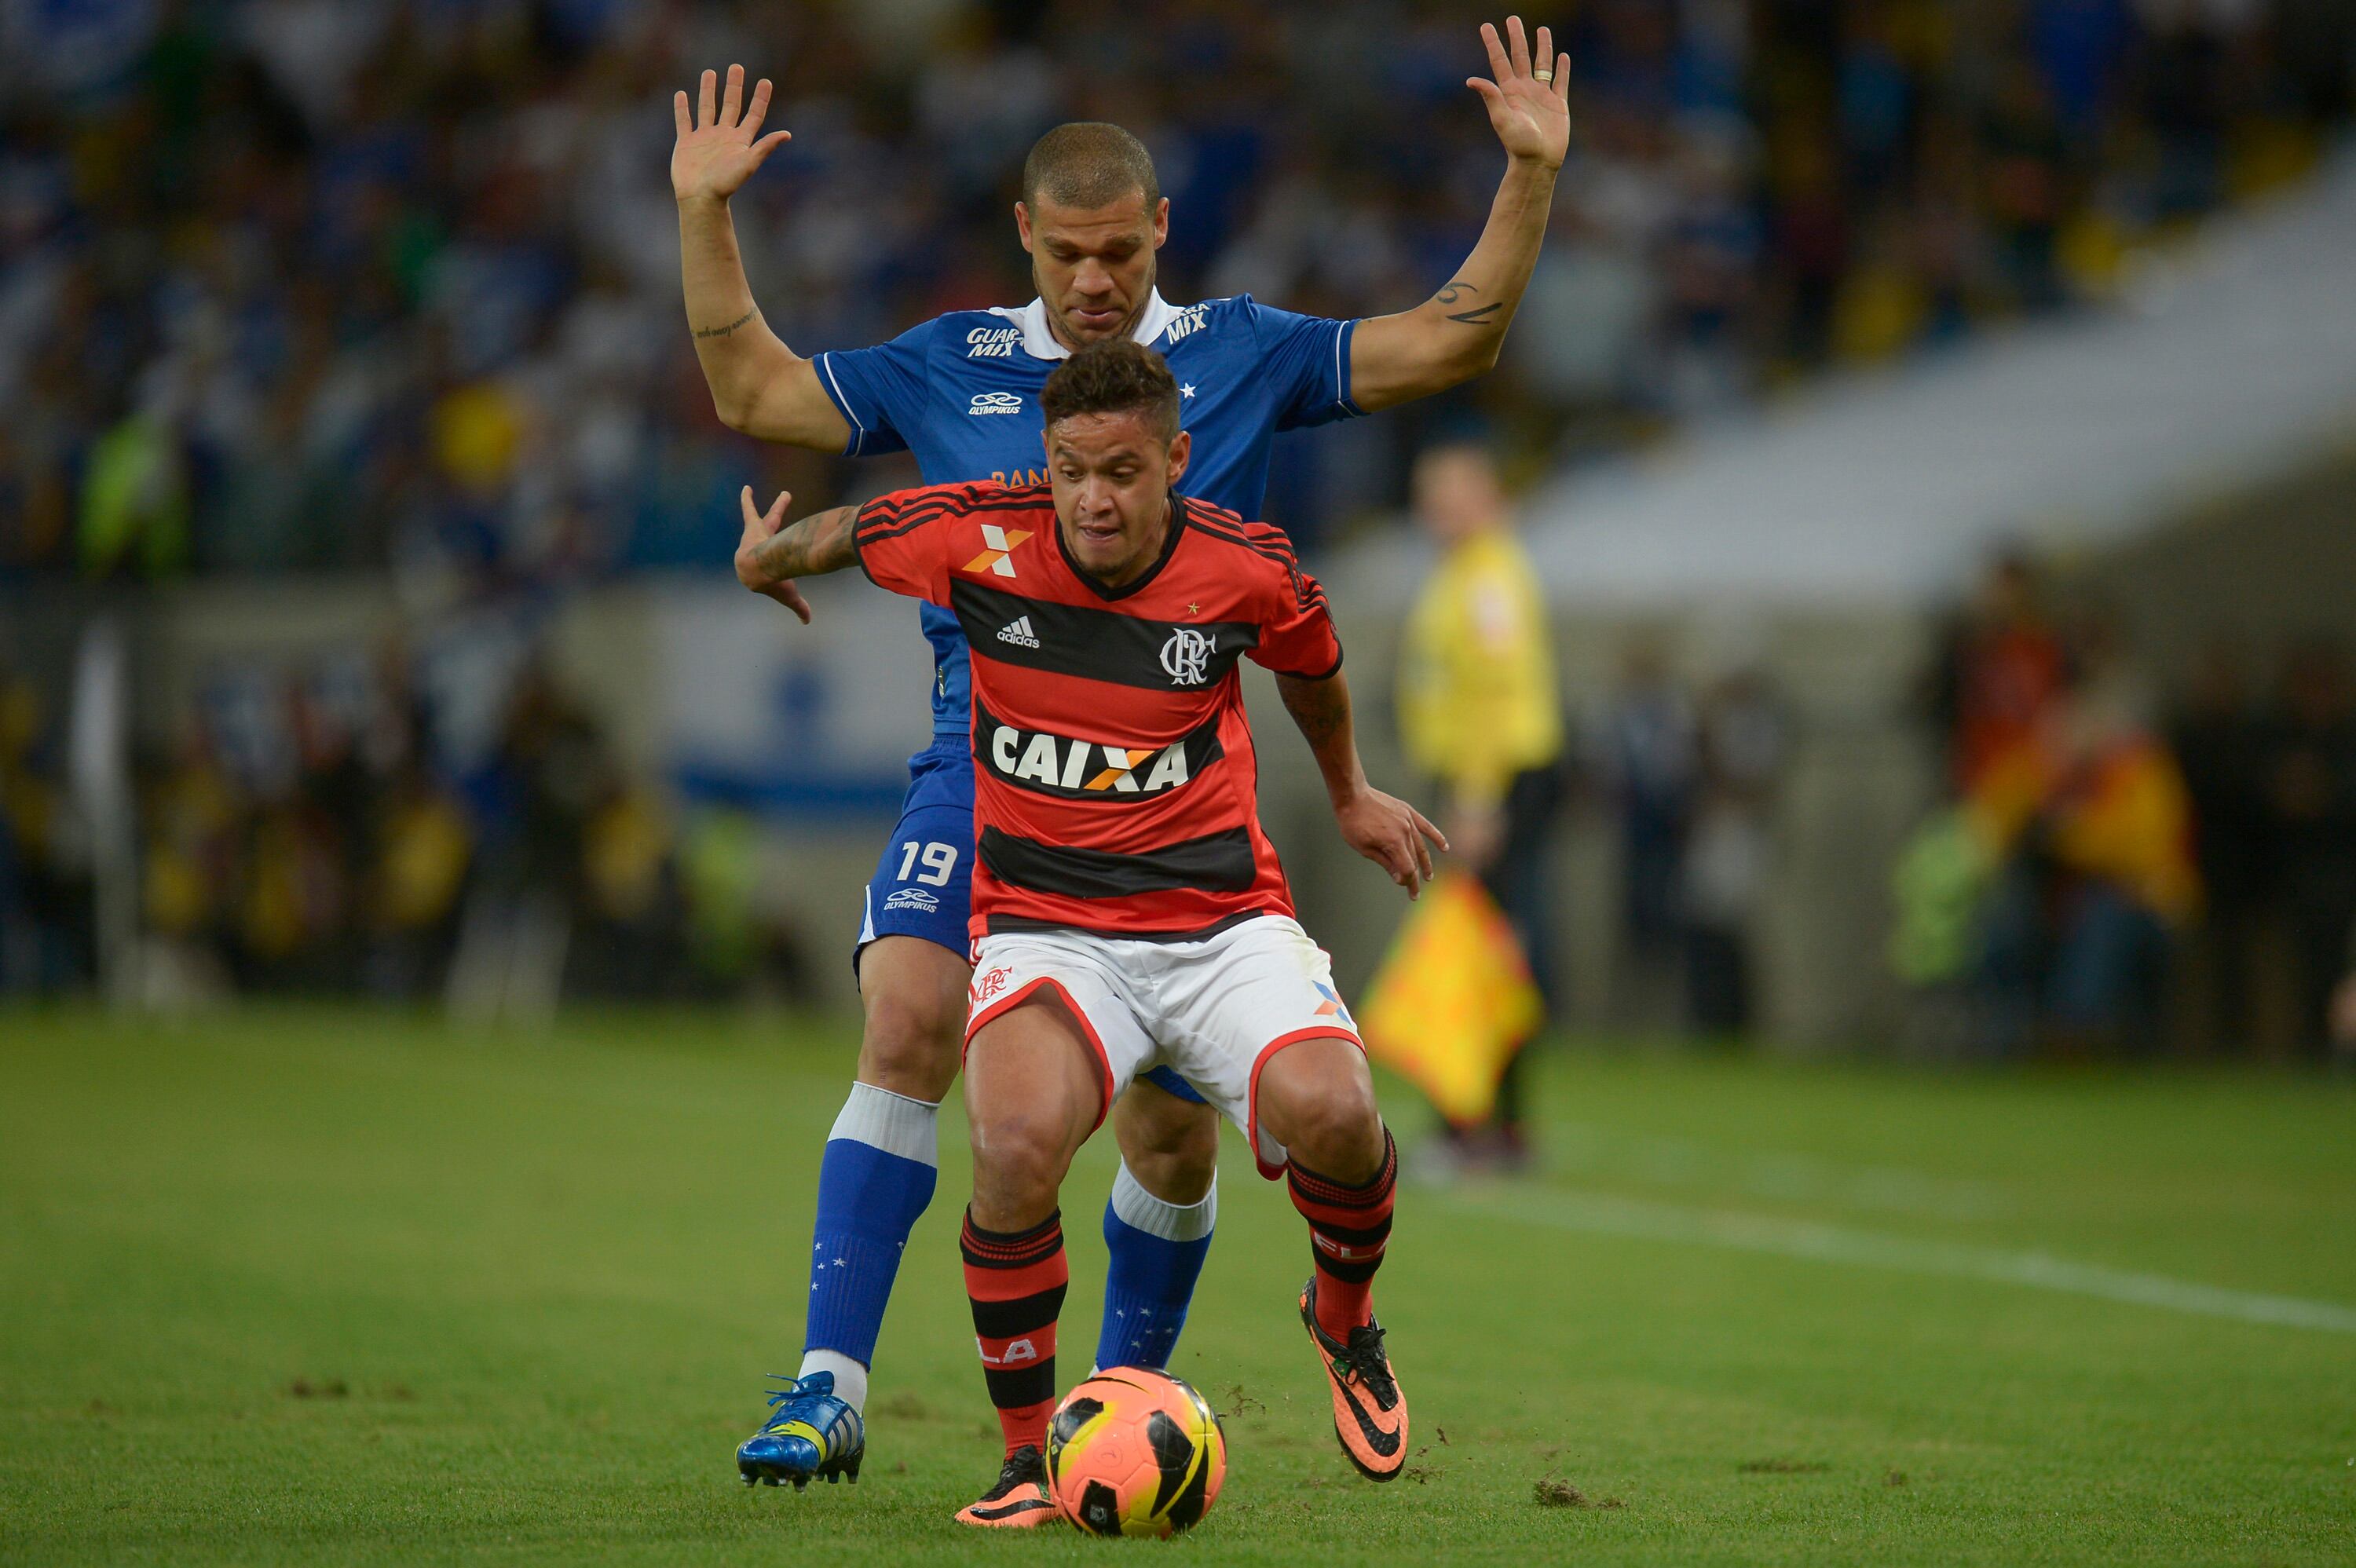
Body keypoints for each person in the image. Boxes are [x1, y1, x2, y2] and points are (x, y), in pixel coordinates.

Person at [670, 19, 1570, 1489]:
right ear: (1023, 235)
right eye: (1068, 254)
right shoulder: (949, 362)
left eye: (1121, 253)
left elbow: (1450, 338)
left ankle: (1117, 1404)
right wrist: (706, 212)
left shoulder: (1243, 351)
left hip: (1174, 798)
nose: (1095, 281)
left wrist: (1528, 174)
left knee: (1172, 1143)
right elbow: (759, 397)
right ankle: (830, 1385)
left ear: (1161, 229)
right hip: (983, 765)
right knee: (908, 1018)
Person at [735, 338, 1443, 1524]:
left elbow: (1313, 663)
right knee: (1012, 1143)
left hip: (1220, 922)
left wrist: (1351, 793)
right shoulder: (976, 534)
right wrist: (768, 555)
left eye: (1121, 471)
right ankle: (1028, 1461)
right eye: (1071, 471)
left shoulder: (1244, 566)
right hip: (1049, 928)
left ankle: (1344, 1316)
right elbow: (855, 530)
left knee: (1338, 1114)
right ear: (1048, 463)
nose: (1093, 499)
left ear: (1176, 461)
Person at [1394, 440, 1563, 1167]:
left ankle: (1481, 1124)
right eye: (1428, 495)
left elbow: (1495, 694)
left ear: (1488, 496)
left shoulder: (1489, 578)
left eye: (1451, 493)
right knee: (1480, 949)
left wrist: (1478, 798)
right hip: (1474, 778)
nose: (1436, 509)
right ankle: (1489, 1123)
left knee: (1479, 953)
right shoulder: (1464, 572)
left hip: (1492, 780)